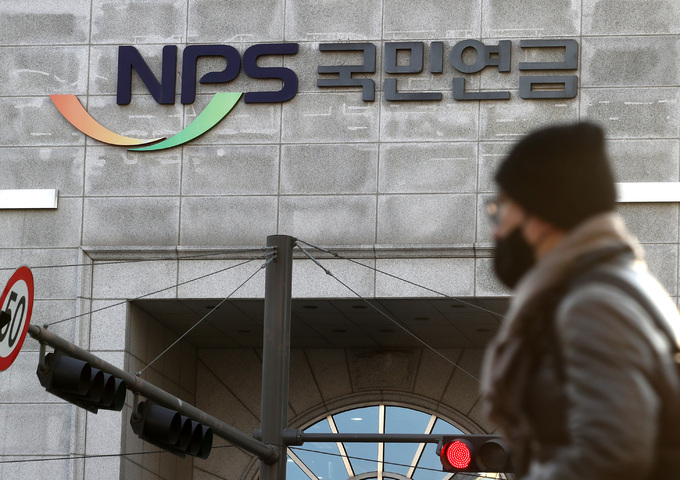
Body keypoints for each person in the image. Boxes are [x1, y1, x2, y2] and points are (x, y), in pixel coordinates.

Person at [480, 121, 680, 479]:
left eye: (502, 207)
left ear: (542, 211)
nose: (496, 230)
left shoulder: (591, 305)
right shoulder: (623, 283)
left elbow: (612, 454)